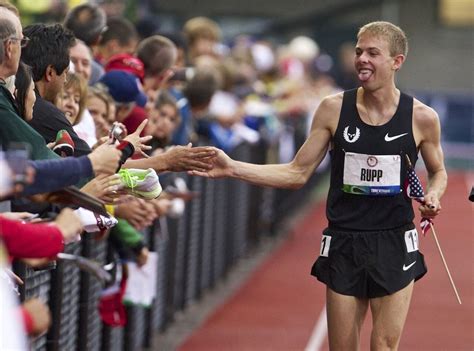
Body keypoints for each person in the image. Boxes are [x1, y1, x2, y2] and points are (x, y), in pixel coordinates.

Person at [190, 21, 447, 350]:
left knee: (384, 345)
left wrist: (434, 194)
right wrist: (233, 167)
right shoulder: (332, 109)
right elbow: (297, 173)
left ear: (397, 61)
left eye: (372, 53)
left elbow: (438, 171)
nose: (362, 59)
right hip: (345, 239)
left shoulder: (422, 117)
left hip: (394, 239)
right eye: (358, 52)